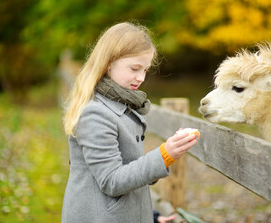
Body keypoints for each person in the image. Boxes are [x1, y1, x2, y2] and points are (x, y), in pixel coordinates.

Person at [61, 22, 198, 223]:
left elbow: (129, 170)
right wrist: (164, 155)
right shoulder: (95, 113)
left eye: (145, 70)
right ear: (109, 63)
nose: (141, 77)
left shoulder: (121, 104)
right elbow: (111, 181)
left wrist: (150, 218)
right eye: (135, 68)